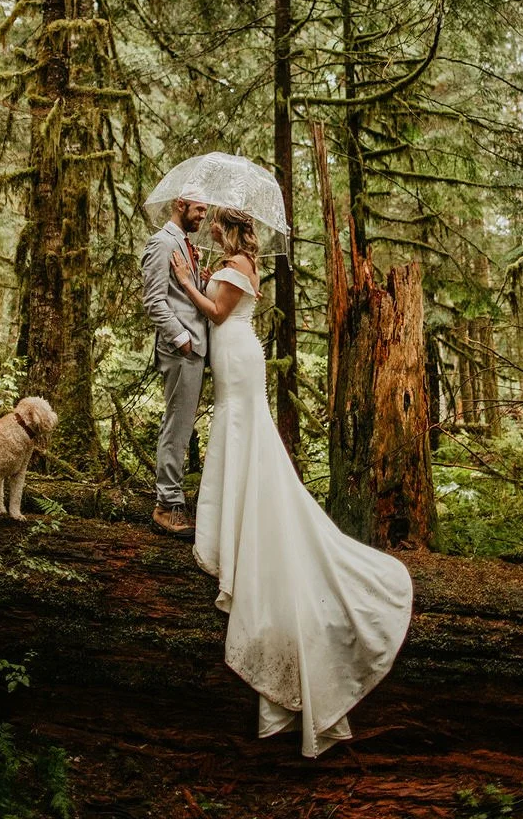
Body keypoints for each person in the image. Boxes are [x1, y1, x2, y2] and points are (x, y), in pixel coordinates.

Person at [171, 207, 413, 757]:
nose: (208, 226)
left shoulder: (236, 266)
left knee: (240, 424)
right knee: (238, 426)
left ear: (229, 230)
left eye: (216, 224)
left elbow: (215, 309)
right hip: (236, 357)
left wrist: (188, 281)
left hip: (237, 357)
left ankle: (248, 529)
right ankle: (237, 522)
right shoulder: (235, 260)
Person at [141, 196, 209, 539]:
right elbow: (153, 301)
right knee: (177, 426)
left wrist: (202, 282)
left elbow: (183, 297)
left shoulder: (184, 244)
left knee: (182, 426)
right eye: (199, 209)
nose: (203, 216)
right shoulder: (162, 243)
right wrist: (182, 338)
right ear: (181, 204)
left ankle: (172, 499)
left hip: (194, 349)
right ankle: (167, 506)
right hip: (181, 350)